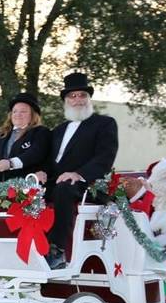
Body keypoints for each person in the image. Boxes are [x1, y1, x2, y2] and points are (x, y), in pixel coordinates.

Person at [44, 72, 118, 269]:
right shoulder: (58, 130)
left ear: (88, 98)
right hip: (57, 183)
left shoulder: (104, 124)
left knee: (65, 186)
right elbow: (50, 161)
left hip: (88, 185)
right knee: (27, 193)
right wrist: (41, 173)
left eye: (82, 95)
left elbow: (105, 157)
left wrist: (79, 174)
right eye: (72, 96)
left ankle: (57, 250)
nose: (78, 100)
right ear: (66, 101)